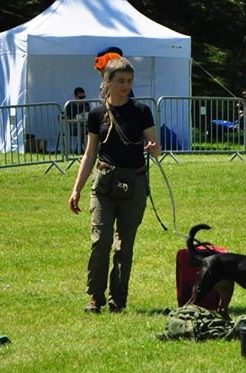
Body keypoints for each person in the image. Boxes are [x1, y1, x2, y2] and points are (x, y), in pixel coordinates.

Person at [69, 57, 161, 314]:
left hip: (135, 182)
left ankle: (118, 300)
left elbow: (156, 149)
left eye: (129, 81)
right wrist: (76, 189)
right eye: (120, 81)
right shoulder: (96, 114)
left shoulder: (141, 111)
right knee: (101, 240)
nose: (125, 86)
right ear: (107, 81)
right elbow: (89, 154)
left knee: (125, 244)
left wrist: (154, 149)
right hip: (104, 183)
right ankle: (95, 297)